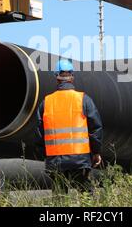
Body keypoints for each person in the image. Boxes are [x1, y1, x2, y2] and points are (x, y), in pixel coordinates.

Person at [36, 59, 103, 193]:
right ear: (72, 77)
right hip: (80, 158)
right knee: (85, 195)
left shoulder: (46, 102)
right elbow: (96, 128)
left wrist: (45, 155)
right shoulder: (84, 99)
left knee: (59, 197)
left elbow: (39, 133)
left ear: (57, 77)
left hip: (55, 160)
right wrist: (95, 152)